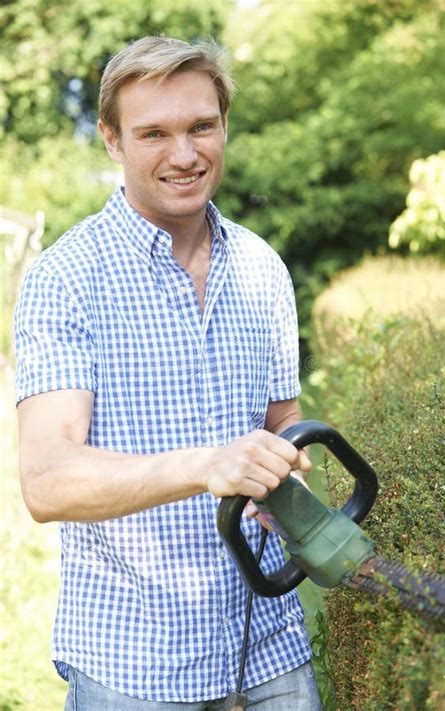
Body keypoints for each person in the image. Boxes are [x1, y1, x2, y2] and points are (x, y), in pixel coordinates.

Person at [14, 36, 321, 710]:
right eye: (153, 132)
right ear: (112, 139)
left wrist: (287, 470)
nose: (184, 154)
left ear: (224, 125)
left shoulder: (261, 267)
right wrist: (209, 464)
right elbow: (47, 480)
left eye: (200, 126)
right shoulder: (65, 280)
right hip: (134, 668)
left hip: (269, 649)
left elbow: (284, 424)